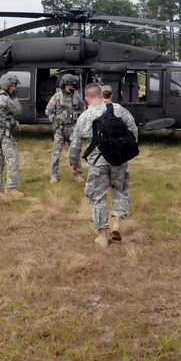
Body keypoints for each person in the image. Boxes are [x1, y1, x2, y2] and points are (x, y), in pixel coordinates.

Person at [68, 83, 138, 248]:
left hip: (97, 162)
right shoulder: (119, 110)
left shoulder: (84, 117)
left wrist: (74, 163)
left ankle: (102, 236)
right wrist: (126, 152)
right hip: (119, 159)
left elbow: (75, 145)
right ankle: (117, 221)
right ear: (102, 94)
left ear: (86, 98)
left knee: (97, 197)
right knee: (120, 189)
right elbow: (133, 130)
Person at [45, 73, 86, 183]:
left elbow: (83, 110)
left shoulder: (77, 97)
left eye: (71, 84)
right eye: (68, 84)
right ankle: (54, 175)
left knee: (75, 153)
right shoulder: (57, 97)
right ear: (63, 85)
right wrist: (55, 123)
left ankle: (78, 174)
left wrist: (79, 118)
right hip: (60, 129)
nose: (70, 86)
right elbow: (48, 111)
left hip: (73, 129)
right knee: (56, 153)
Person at [0, 73, 23, 197]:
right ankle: (10, 188)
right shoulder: (5, 99)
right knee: (12, 160)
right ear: (7, 85)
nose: (14, 88)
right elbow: (18, 110)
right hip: (4, 134)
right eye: (13, 86)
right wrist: (15, 97)